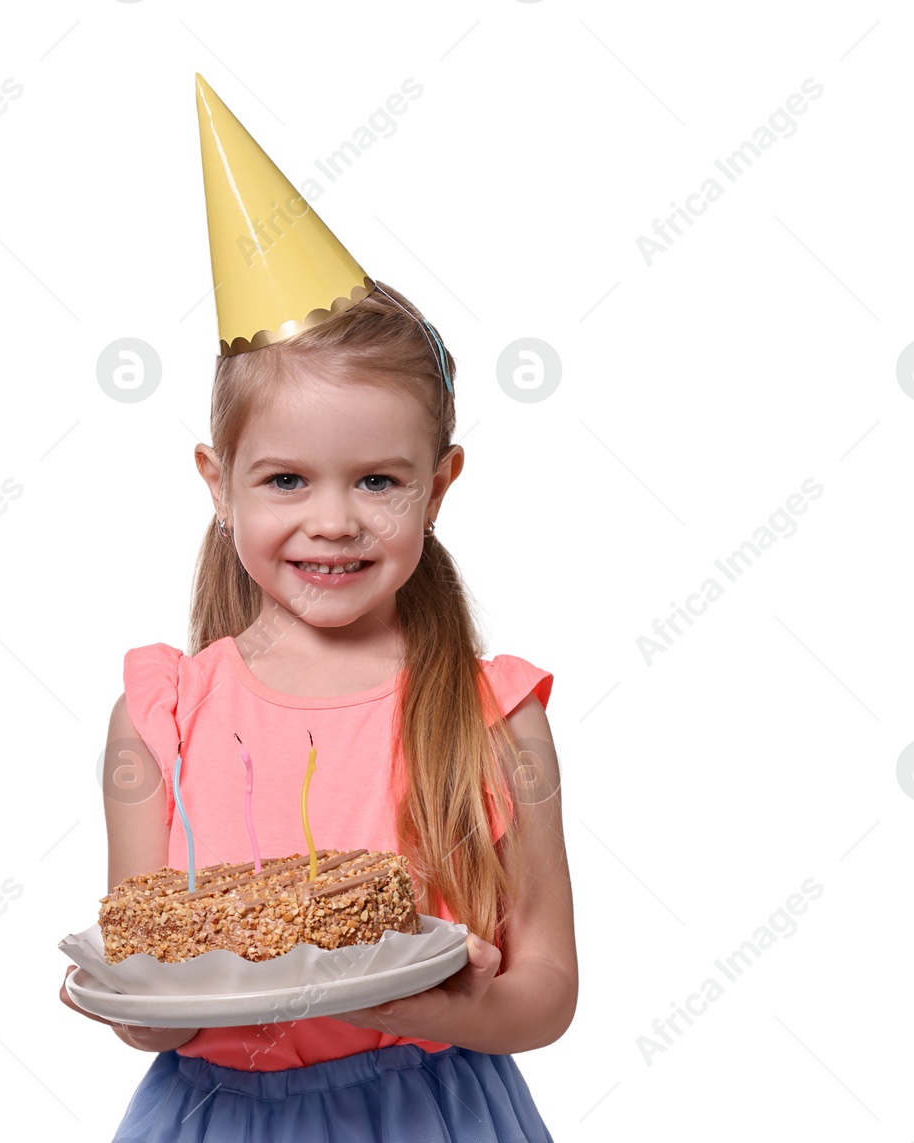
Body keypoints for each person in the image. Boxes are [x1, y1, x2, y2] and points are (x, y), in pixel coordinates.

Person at [58, 74, 576, 1141]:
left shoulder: (493, 719)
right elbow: (150, 971)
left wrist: (433, 1004)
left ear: (440, 484)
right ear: (218, 481)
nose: (331, 522)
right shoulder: (161, 719)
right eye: (286, 480)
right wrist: (131, 1013)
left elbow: (549, 992)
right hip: (220, 1120)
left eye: (378, 481)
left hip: (433, 1111)